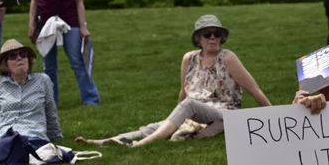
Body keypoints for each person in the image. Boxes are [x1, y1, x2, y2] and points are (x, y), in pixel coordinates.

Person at [75, 15, 271, 147]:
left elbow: (255, 90)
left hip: (224, 112)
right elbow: (183, 92)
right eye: (207, 34)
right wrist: (177, 119)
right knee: (155, 126)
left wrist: (277, 117)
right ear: (198, 38)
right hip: (194, 110)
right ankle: (104, 141)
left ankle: (141, 145)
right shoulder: (189, 59)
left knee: (188, 105)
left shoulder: (228, 58)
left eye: (217, 34)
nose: (213, 38)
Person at [0, 39, 62, 165]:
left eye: (23, 54)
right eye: (13, 56)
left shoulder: (43, 80)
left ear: (28, 59)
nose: (19, 58)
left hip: (33, 135)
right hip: (3, 136)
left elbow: (51, 111)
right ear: (5, 64)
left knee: (27, 152)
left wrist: (56, 136)